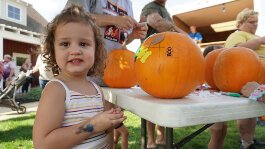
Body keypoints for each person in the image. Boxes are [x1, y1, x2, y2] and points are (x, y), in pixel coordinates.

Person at [33, 5, 126, 148]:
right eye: (65, 44)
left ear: (96, 50)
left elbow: (103, 133)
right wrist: (92, 126)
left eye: (83, 44)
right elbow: (43, 143)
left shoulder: (96, 89)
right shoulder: (57, 90)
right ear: (53, 50)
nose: (75, 50)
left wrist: (108, 122)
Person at [65, 1, 148, 148]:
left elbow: (119, 41)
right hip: (86, 74)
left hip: (113, 78)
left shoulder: (127, 3)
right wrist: (114, 20)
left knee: (106, 128)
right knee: (82, 131)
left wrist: (132, 36)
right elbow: (72, 16)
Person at [209, 8, 265, 149]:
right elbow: (234, 51)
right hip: (245, 80)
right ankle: (246, 142)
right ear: (240, 23)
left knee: (251, 112)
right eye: (252, 22)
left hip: (258, 82)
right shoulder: (239, 34)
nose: (256, 24)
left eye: (257, 22)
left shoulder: (254, 36)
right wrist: (260, 40)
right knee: (246, 111)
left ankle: (249, 141)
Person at [140, 0, 184, 148]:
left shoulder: (165, 10)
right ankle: (151, 141)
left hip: (163, 58)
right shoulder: (151, 8)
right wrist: (182, 34)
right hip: (151, 58)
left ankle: (160, 137)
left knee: (163, 98)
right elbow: (158, 23)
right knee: (151, 102)